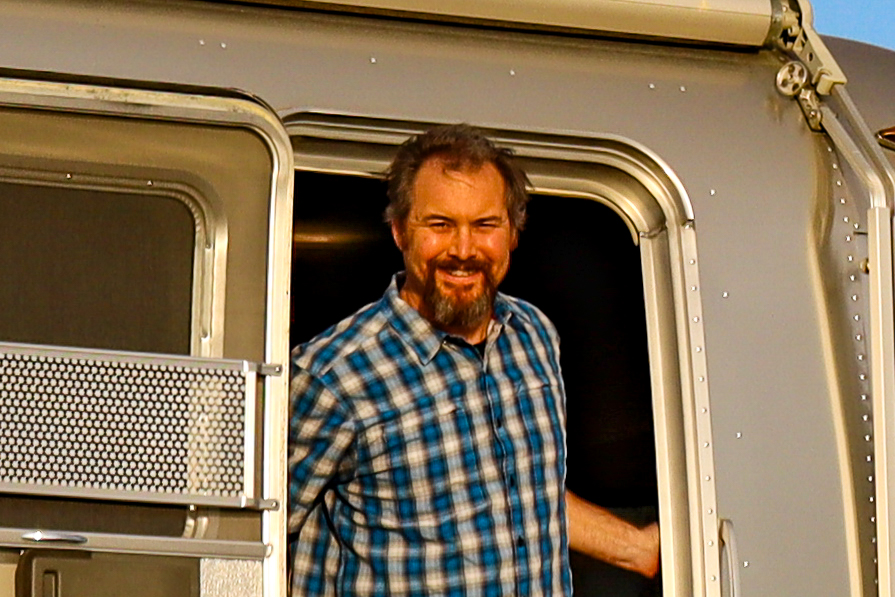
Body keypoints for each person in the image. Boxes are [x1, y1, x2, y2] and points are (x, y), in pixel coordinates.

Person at [288, 124, 659, 596]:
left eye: (485, 225)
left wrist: (639, 548)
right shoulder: (332, 376)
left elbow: (523, 489)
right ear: (401, 231)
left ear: (513, 234)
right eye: (440, 225)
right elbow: (254, 541)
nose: (463, 250)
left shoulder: (533, 336)